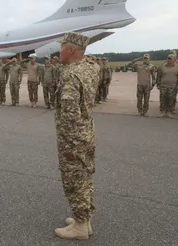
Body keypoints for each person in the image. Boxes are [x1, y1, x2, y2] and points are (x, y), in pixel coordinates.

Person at [54, 32, 99, 240]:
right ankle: (85, 219)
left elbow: (70, 114)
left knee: (74, 180)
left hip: (73, 138)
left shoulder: (71, 74)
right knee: (85, 178)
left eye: (62, 47)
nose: (59, 51)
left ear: (71, 50)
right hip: (87, 132)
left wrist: (70, 147)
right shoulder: (90, 68)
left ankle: (80, 226)